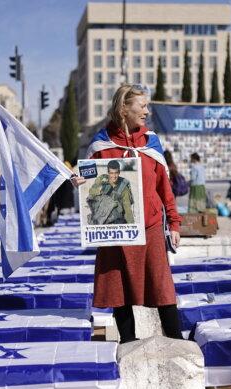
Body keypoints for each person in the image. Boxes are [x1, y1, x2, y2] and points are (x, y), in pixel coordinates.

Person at [72, 83, 183, 343]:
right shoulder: (100, 144)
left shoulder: (151, 141)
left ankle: (176, 339)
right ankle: (128, 342)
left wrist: (174, 224)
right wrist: (78, 181)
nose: (146, 111)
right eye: (142, 106)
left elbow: (164, 187)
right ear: (124, 109)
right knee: (118, 287)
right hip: (116, 229)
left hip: (151, 226)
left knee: (162, 284)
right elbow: (90, 182)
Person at [87, 159, 134, 225]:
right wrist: (99, 191)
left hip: (116, 219)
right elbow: (92, 192)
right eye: (111, 173)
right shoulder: (102, 179)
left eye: (116, 173)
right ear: (108, 172)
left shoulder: (124, 189)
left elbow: (128, 210)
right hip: (101, 216)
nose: (114, 176)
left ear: (119, 172)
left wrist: (132, 226)